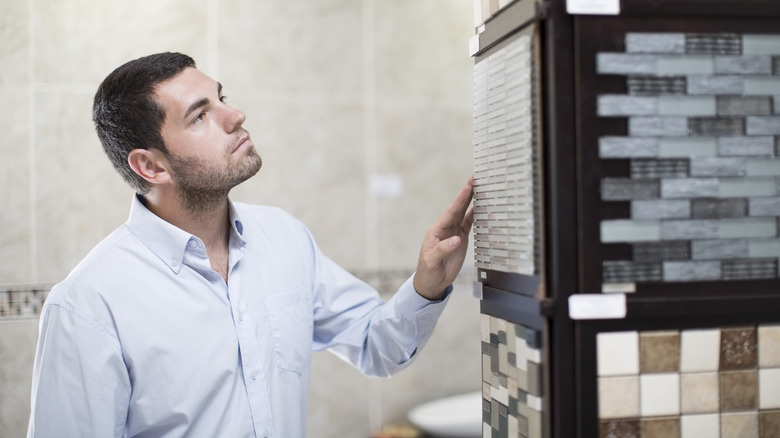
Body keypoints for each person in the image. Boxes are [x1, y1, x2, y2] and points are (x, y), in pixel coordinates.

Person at [27, 52, 474, 438]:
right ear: (151, 165)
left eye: (221, 97)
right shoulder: (88, 305)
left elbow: (379, 347)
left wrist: (427, 285)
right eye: (200, 115)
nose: (234, 115)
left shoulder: (285, 238)